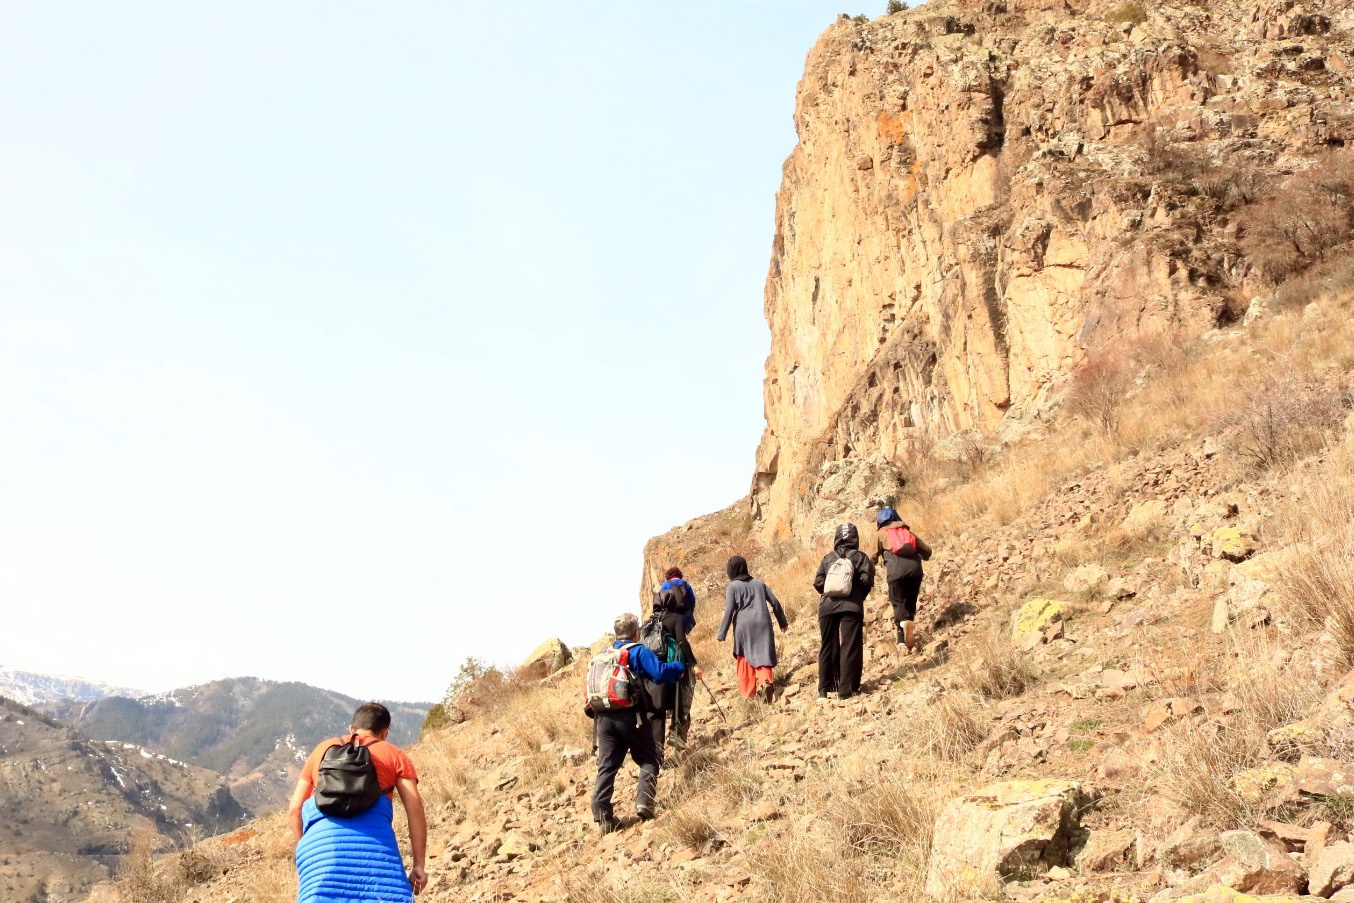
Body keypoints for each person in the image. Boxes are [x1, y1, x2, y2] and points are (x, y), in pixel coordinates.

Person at [288, 702, 427, 901]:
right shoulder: (395, 755)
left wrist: (307, 850)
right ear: (385, 733)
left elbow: (295, 809)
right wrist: (418, 865)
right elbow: (415, 809)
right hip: (375, 856)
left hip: (320, 855)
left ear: (352, 729)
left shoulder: (321, 751)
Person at [587, 612, 688, 834]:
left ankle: (603, 816)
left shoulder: (604, 654)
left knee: (607, 766)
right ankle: (645, 803)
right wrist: (678, 668)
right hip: (631, 716)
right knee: (649, 758)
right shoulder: (638, 651)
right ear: (637, 632)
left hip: (603, 718)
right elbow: (659, 674)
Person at [812, 523, 876, 701]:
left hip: (827, 607)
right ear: (855, 538)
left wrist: (831, 594)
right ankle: (846, 690)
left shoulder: (828, 558)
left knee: (827, 645)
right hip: (852, 606)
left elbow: (818, 583)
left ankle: (824, 690)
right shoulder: (861, 557)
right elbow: (867, 580)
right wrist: (856, 594)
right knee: (850, 645)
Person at [715, 555, 789, 701]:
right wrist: (783, 622)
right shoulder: (759, 583)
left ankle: (748, 694)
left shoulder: (732, 587)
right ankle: (767, 682)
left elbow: (729, 610)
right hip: (763, 622)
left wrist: (722, 633)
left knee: (743, 656)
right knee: (763, 654)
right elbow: (775, 602)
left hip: (744, 626)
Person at [871, 507, 933, 651]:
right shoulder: (907, 532)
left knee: (898, 603)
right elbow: (927, 551)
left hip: (896, 572)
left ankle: (904, 626)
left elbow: (870, 557)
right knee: (909, 603)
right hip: (915, 570)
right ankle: (902, 642)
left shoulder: (880, 534)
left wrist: (867, 574)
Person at [652, 567, 699, 748]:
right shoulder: (685, 585)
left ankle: (656, 749)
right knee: (684, 691)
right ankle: (677, 731)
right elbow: (692, 603)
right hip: (675, 660)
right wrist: (693, 663)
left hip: (657, 665)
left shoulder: (652, 621)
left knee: (659, 709)